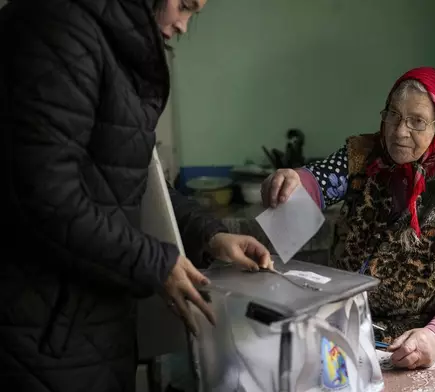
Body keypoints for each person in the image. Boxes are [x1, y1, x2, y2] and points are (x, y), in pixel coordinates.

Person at [0, 0, 271, 391]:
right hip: (39, 333)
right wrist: (156, 263)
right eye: (185, 6)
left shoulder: (110, 41)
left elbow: (130, 185)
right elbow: (44, 198)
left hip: (87, 328)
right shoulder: (57, 28)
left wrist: (210, 236)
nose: (183, 26)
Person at [262, 67, 435, 370]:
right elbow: (317, 182)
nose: (399, 131)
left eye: (417, 121)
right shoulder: (365, 155)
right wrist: (291, 181)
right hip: (345, 321)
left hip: (413, 344)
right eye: (393, 114)